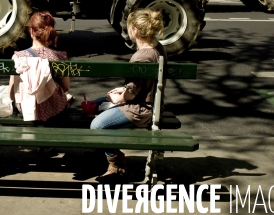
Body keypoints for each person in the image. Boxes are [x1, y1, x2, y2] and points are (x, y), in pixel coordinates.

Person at [90, 9, 167, 180]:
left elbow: (131, 95)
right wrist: (123, 91)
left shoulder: (141, 57)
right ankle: (102, 149)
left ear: (136, 31)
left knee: (97, 125)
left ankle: (116, 163)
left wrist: (119, 97)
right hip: (150, 101)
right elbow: (140, 85)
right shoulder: (157, 48)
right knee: (96, 103)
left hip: (140, 108)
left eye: (129, 27)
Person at [9, 10, 71, 123]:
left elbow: (12, 94)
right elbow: (66, 87)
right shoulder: (61, 57)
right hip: (56, 109)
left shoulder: (18, 57)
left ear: (32, 31)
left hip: (28, 110)